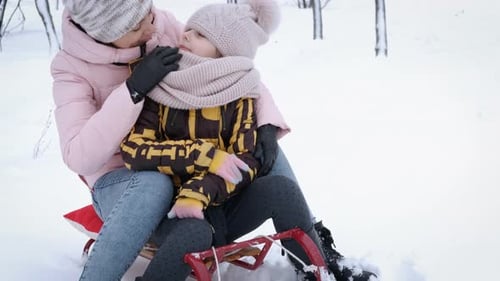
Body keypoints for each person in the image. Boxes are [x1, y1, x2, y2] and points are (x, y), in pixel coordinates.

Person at [51, 0, 374, 280]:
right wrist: (133, 90)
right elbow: (80, 157)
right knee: (154, 184)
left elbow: (227, 67)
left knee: (263, 149)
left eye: (149, 13)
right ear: (107, 34)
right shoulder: (71, 69)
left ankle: (315, 248)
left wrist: (266, 122)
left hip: (192, 170)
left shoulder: (155, 23)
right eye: (138, 28)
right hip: (125, 180)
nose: (153, 29)